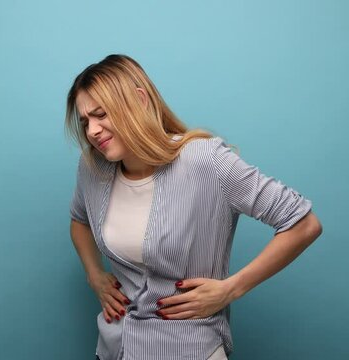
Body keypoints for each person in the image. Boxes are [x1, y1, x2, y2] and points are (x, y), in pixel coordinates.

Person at [65, 54, 323, 360]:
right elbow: (79, 219)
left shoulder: (205, 160)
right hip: (114, 348)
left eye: (101, 114)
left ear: (139, 100)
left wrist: (231, 289)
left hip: (188, 350)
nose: (92, 131)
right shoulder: (94, 168)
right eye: (85, 122)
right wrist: (95, 275)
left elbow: (304, 224)